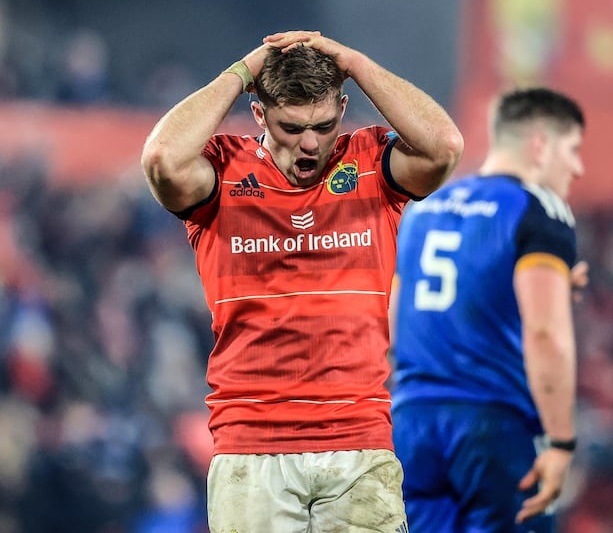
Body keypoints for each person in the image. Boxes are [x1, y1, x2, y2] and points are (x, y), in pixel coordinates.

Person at [140, 30, 463, 533]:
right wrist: (243, 71)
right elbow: (160, 158)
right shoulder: (223, 172)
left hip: (359, 445)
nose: (311, 143)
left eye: (325, 124)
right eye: (292, 126)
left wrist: (356, 61)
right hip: (252, 447)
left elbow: (443, 146)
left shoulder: (371, 163)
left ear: (343, 108)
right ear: (259, 115)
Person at [390, 87, 587, 533]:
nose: (578, 167)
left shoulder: (424, 209)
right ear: (540, 145)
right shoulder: (540, 210)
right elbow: (544, 332)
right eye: (572, 151)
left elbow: (395, 318)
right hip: (491, 427)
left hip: (411, 426)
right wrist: (560, 441)